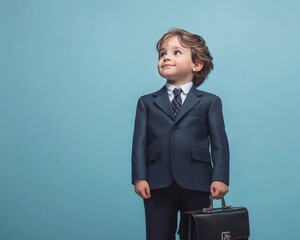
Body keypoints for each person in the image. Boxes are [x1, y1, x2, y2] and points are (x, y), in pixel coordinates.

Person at [131, 28, 230, 240]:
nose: (166, 57)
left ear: (196, 65)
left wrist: (220, 177)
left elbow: (220, 143)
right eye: (162, 53)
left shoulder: (210, 101)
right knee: (157, 234)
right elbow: (139, 143)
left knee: (196, 234)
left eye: (176, 52)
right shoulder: (146, 102)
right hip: (157, 182)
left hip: (198, 181)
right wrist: (139, 177)